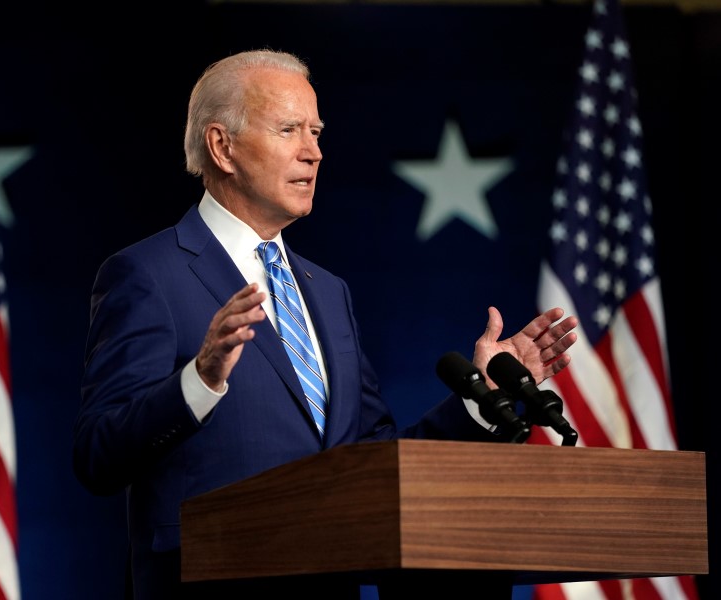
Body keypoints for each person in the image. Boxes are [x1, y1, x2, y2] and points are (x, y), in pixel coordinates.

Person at [73, 49, 579, 600]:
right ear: (222, 147)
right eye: (289, 129)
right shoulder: (148, 274)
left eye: (315, 132)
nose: (313, 152)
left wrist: (481, 401)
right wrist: (200, 379)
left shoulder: (327, 291)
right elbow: (99, 454)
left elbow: (369, 455)